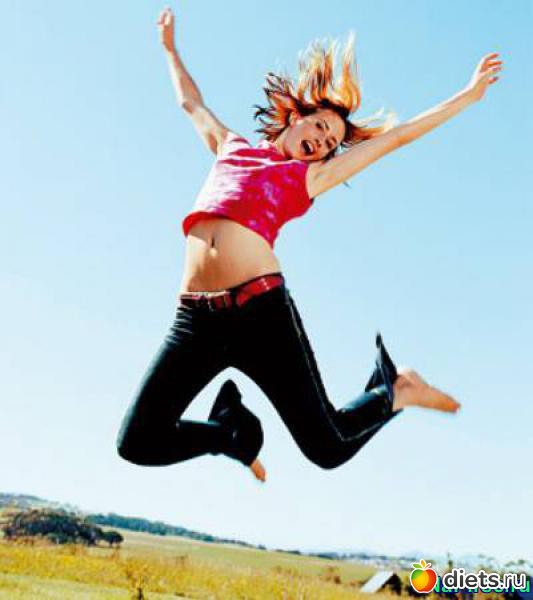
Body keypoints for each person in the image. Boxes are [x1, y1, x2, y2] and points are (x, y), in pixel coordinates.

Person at [116, 6, 502, 482]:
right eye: (319, 127)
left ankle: (396, 390)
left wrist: (467, 95)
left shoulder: (308, 178)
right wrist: (170, 50)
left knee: (328, 447)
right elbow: (190, 103)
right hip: (195, 320)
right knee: (137, 441)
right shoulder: (232, 148)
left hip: (261, 316)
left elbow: (398, 138)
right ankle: (229, 434)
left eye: (331, 142)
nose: (322, 142)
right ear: (296, 117)